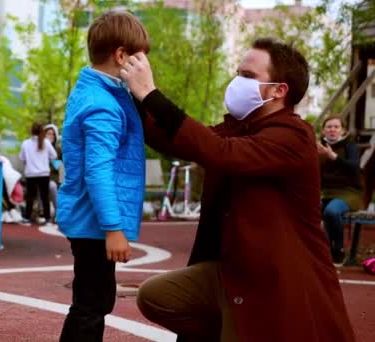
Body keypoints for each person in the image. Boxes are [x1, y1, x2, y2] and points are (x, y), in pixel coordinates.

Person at [120, 38, 356, 340]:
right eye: (238, 73)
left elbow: (221, 152)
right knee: (155, 296)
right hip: (232, 271)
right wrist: (134, 96)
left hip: (276, 279)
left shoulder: (294, 136)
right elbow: (183, 141)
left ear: (279, 90)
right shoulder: (241, 129)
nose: (236, 82)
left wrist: (151, 94)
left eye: (247, 76)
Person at [56, 10, 150, 342]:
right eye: (140, 57)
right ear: (121, 55)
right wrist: (113, 229)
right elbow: (98, 171)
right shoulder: (103, 104)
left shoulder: (96, 91)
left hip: (88, 219)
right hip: (94, 223)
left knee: (93, 299)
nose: (144, 66)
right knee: (92, 303)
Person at [318, 116, 363, 265]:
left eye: (336, 127)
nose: (332, 130)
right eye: (329, 127)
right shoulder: (319, 147)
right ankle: (319, 250)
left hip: (349, 192)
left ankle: (338, 250)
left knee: (331, 211)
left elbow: (355, 167)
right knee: (307, 211)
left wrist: (333, 156)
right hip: (326, 192)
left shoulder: (349, 146)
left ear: (342, 130)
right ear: (324, 130)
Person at [19, 122, 57, 226]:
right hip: (44, 174)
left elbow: (21, 158)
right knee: (44, 197)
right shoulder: (46, 142)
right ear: (42, 131)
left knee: (30, 197)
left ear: (31, 130)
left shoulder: (25, 143)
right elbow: (54, 156)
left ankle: (27, 218)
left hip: (30, 174)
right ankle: (47, 219)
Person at [44, 123, 62, 220]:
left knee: (54, 186)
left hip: (55, 177)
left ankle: (59, 212)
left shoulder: (58, 150)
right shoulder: (39, 147)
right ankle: (42, 212)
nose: (51, 136)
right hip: (41, 177)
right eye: (48, 134)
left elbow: (60, 167)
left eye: (53, 134)